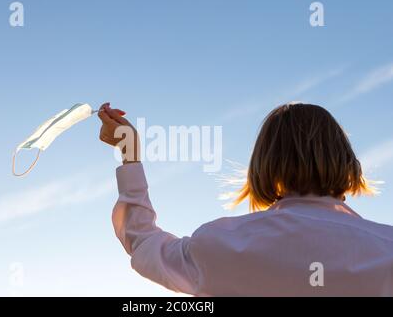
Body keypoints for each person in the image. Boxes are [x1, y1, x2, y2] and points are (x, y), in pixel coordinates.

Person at [97, 102, 393, 296]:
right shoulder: (386, 250)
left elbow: (143, 240)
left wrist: (130, 153)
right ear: (346, 160)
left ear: (264, 163)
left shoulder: (220, 242)